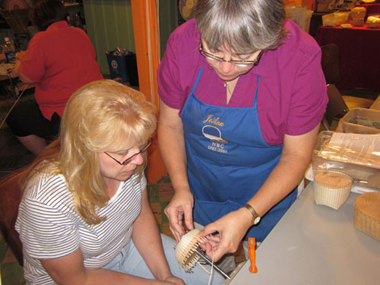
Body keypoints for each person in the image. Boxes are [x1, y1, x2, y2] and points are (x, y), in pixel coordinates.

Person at [157, 0, 328, 264]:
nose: (225, 68)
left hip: (269, 191)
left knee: (268, 268)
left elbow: (296, 155)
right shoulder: (182, 44)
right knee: (210, 267)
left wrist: (249, 213)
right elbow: (169, 125)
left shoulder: (300, 58)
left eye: (242, 56)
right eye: (212, 51)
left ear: (269, 40)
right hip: (202, 187)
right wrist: (180, 187)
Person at [15, 80, 225, 284]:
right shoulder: (47, 200)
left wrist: (164, 276)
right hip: (80, 276)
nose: (139, 160)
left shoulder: (126, 163)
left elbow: (140, 217)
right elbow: (76, 279)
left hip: (124, 248)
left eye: (140, 146)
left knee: (215, 280)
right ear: (85, 149)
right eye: (123, 152)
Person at [6, 0, 103, 155]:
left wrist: (22, 62)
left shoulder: (41, 39)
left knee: (15, 117)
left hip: (65, 112)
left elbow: (27, 77)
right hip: (92, 103)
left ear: (38, 20)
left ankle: (48, 157)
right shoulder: (80, 33)